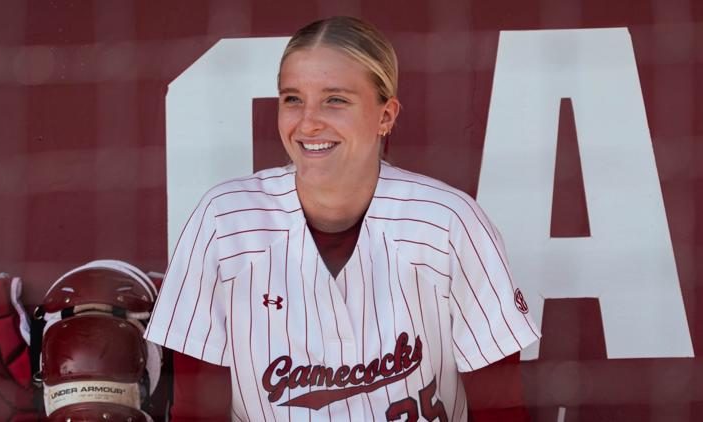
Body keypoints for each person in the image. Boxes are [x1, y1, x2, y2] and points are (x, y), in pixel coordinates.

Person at [145, 16, 541, 421]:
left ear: (386, 116)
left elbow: (502, 409)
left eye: (335, 99)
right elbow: (195, 412)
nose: (308, 121)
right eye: (292, 99)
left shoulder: (449, 224)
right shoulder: (225, 223)